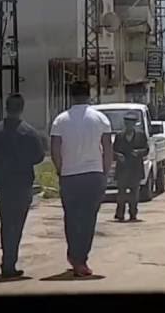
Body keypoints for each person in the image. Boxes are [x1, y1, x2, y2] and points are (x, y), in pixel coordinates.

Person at [49, 81, 112, 277]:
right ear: (89, 95)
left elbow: (55, 150)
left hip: (70, 176)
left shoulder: (60, 120)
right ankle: (80, 258)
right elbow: (108, 150)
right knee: (88, 219)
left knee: (71, 217)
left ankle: (75, 255)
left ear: (71, 96)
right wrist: (105, 173)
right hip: (94, 175)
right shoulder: (101, 119)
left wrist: (61, 171)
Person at [0, 94, 45, 278]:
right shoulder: (29, 132)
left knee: (6, 224)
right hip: (22, 184)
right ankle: (10, 262)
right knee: (17, 225)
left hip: (3, 185)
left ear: (6, 108)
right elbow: (39, 156)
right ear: (22, 109)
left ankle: (7, 261)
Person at [112, 111, 149, 222]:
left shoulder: (140, 135)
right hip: (122, 169)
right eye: (127, 123)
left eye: (131, 123)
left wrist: (138, 152)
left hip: (135, 169)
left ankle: (133, 214)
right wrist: (118, 156)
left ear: (134, 124)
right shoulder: (119, 136)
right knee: (121, 194)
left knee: (134, 194)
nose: (129, 125)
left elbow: (146, 150)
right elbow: (114, 151)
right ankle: (120, 214)